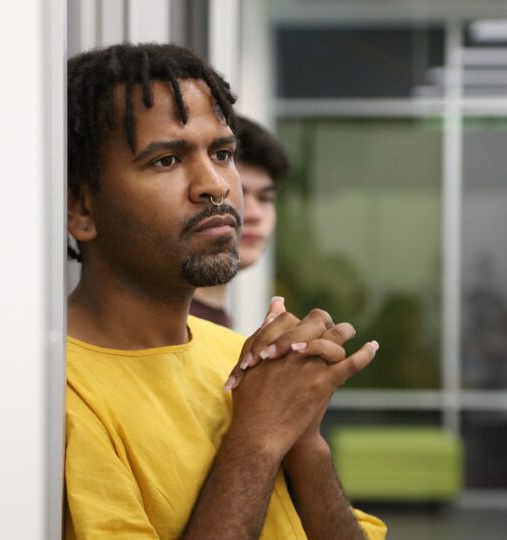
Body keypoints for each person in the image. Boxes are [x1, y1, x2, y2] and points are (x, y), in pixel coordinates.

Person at [65, 42, 386, 540]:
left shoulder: (239, 358)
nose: (215, 185)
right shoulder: (57, 394)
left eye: (222, 153)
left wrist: (302, 439)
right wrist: (257, 438)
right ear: (81, 210)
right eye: (167, 160)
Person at [190, 116, 288, 328]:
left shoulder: (217, 323)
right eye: (237, 194)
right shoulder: (167, 331)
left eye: (265, 198)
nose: (254, 214)